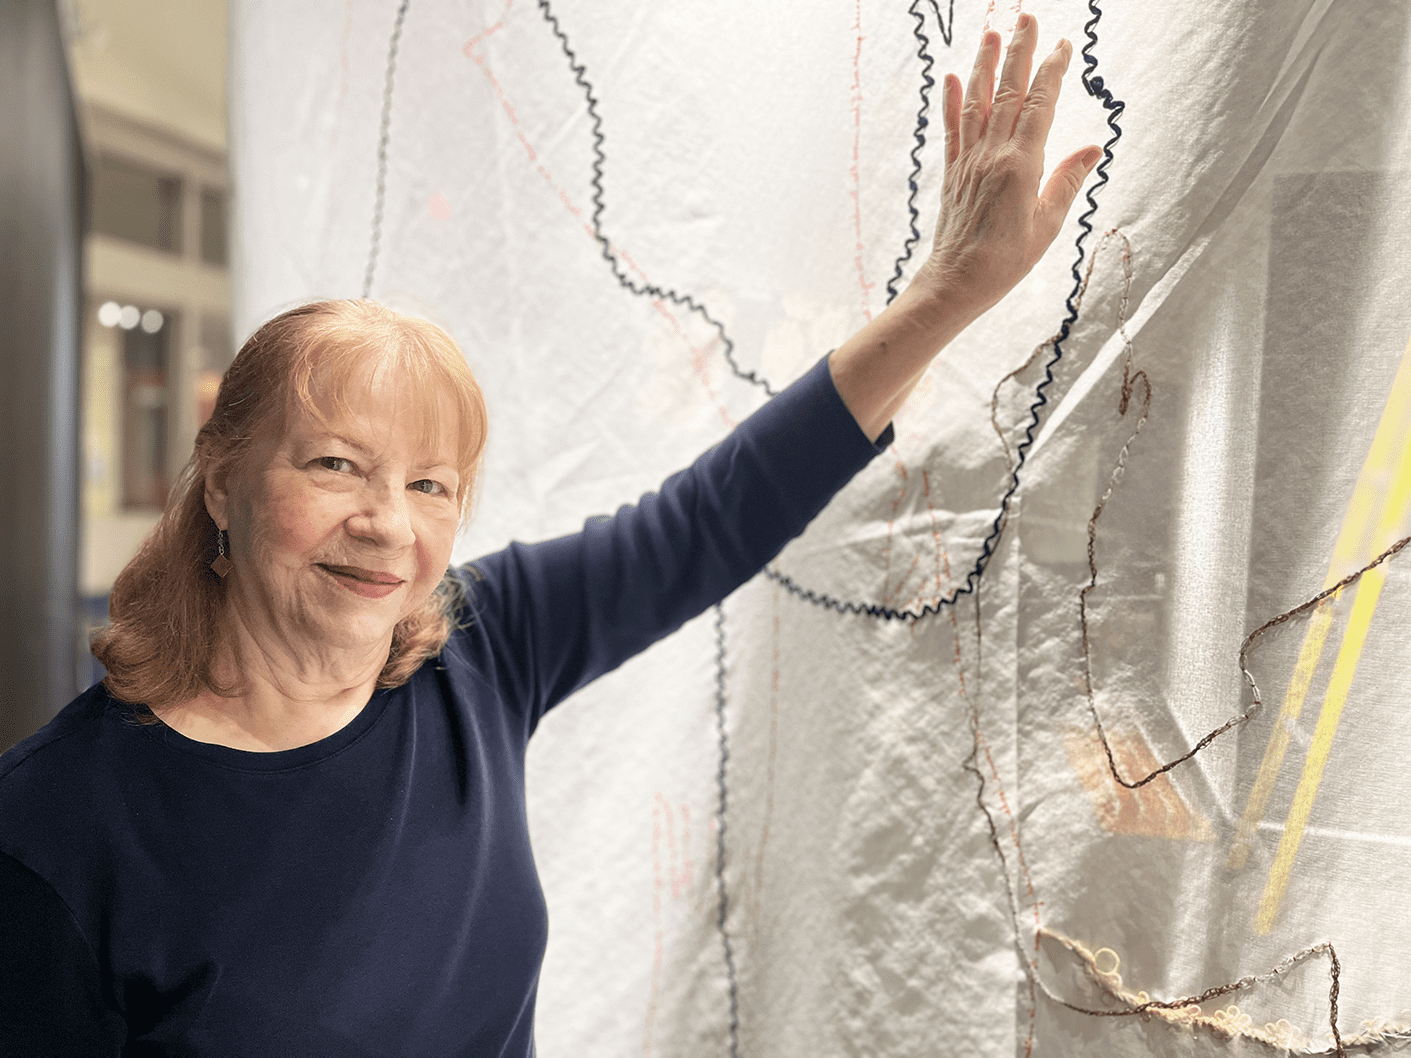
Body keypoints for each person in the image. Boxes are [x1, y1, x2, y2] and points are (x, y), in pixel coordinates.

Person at [0, 18, 1099, 1055]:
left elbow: (715, 517)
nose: (387, 522)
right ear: (223, 481)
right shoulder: (53, 820)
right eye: (335, 463)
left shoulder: (478, 653)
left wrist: (954, 291)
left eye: (430, 483)